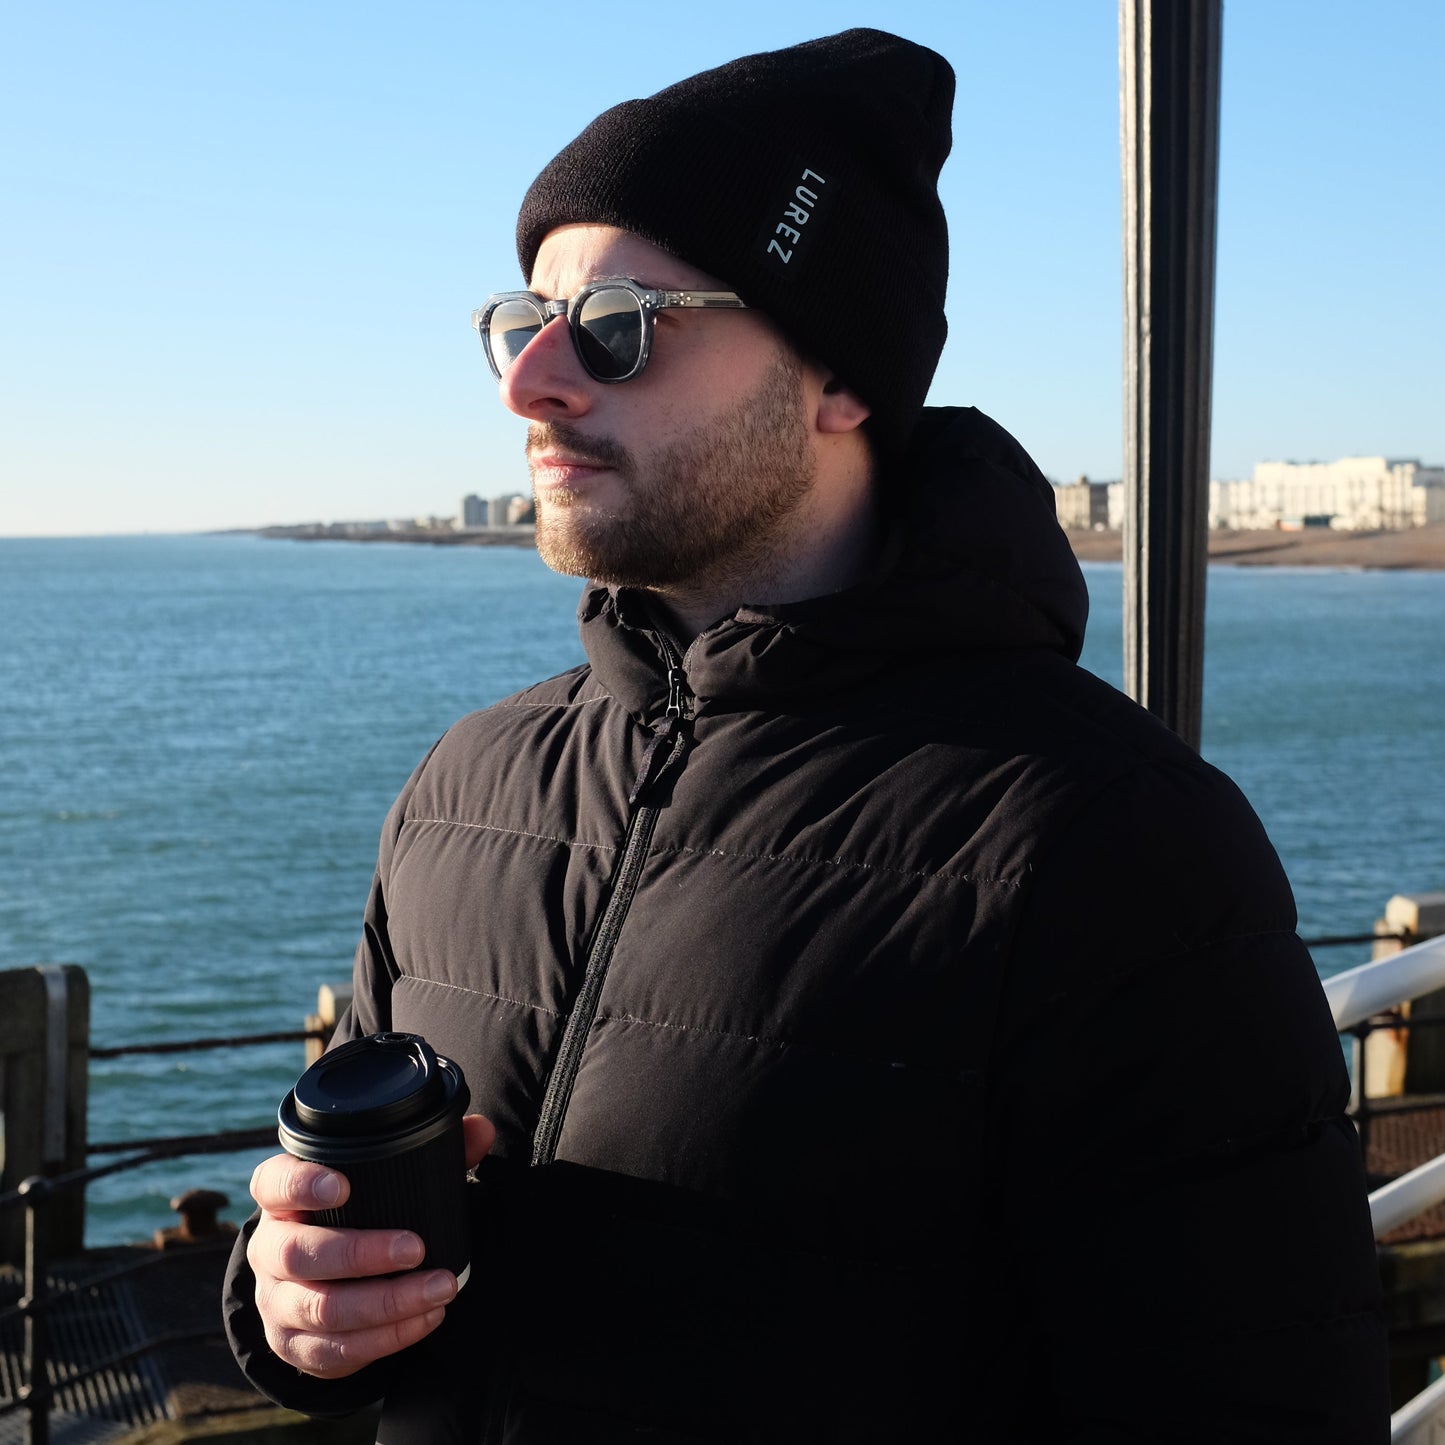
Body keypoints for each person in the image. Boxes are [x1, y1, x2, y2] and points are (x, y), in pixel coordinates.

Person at [223, 28, 1388, 1443]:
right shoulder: (468, 786)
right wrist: (295, 1307)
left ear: (838, 381)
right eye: (517, 319)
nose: (529, 379)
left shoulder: (1110, 841)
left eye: (616, 325)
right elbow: (353, 1257)